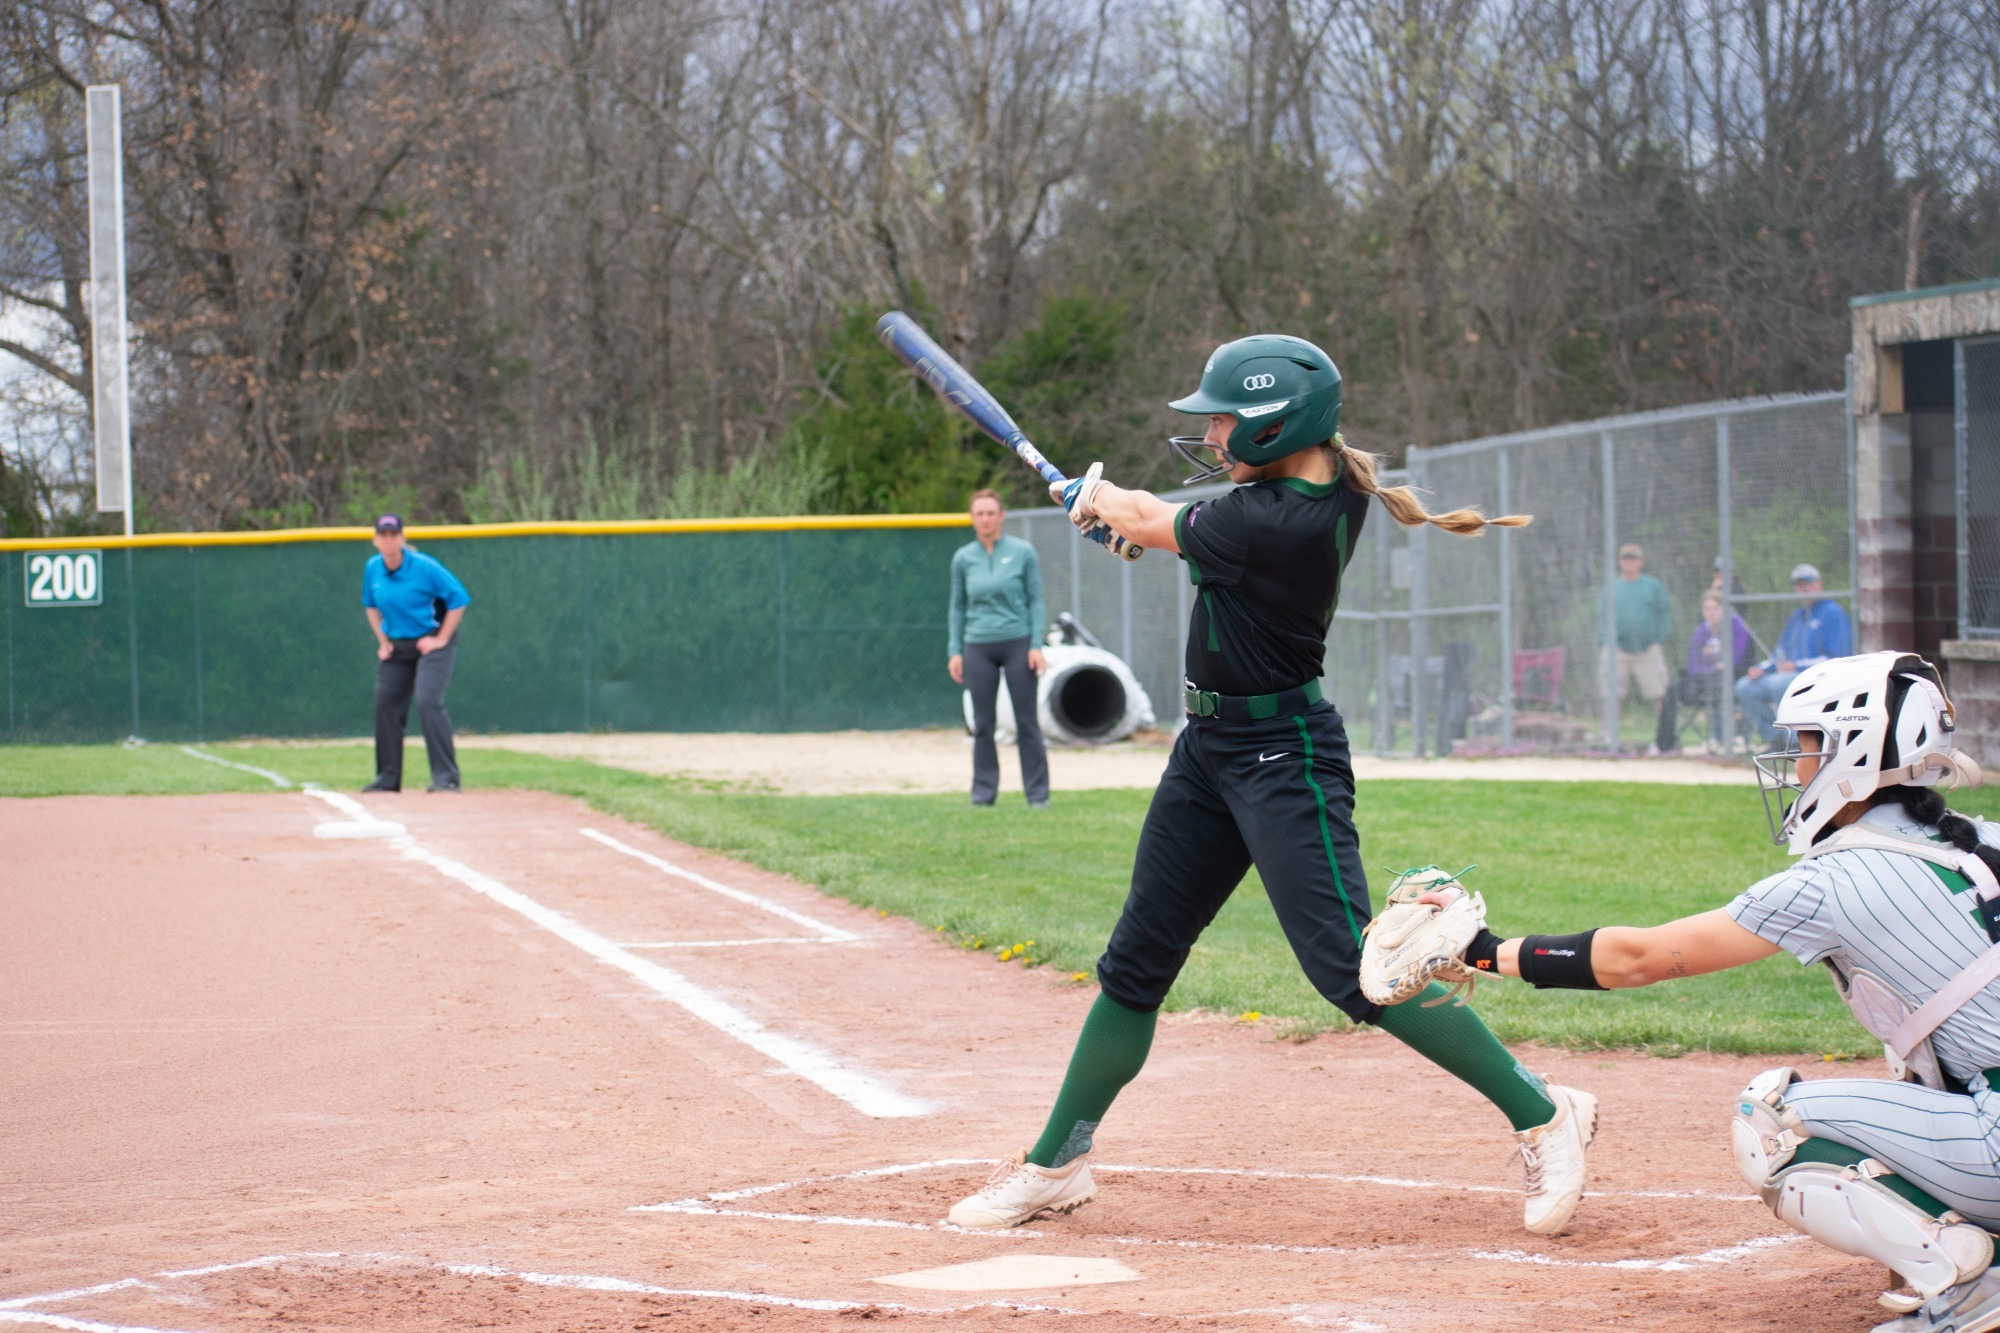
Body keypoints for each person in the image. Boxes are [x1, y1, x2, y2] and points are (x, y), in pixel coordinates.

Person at [944, 334, 1599, 1239]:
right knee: (1136, 964)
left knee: (1359, 972)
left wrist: (1093, 498)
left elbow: (1153, 517)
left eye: (1223, 420)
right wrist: (1117, 515)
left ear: (1276, 427)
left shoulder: (1274, 520)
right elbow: (1170, 534)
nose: (1212, 436)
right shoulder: (1309, 493)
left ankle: (1544, 1111)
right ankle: (1057, 1162)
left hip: (1284, 757)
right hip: (1208, 751)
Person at [1380, 651, 2000, 1332]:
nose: (1795, 763)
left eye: (1806, 744)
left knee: (1775, 1121)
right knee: (1924, 1074)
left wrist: (1480, 949)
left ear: (1855, 752)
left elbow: (1638, 958)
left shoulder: (1835, 879)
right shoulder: (1984, 842)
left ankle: (1976, 1282)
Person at [947, 490, 1050, 807]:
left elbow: (1035, 600)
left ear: (1001, 515)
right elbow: (957, 606)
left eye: (991, 513)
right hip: (977, 645)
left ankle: (1037, 795)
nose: (986, 519)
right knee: (982, 724)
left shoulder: (1023, 552)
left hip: (1018, 642)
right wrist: (955, 649)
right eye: (979, 514)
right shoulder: (963, 558)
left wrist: (1036, 644)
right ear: (972, 518)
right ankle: (983, 794)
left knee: (1026, 722)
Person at [361, 514, 470, 793]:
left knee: (428, 699)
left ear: (402, 538)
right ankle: (388, 779)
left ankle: (446, 779)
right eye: (383, 535)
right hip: (397, 645)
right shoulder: (373, 568)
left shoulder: (424, 567)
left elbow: (459, 598)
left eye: (393, 534)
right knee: (385, 703)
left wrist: (441, 638)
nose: (388, 540)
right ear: (375, 540)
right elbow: (370, 605)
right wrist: (383, 641)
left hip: (429, 642)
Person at [1736, 563, 1853, 744]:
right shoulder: (1797, 615)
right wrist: (1762, 668)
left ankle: (1796, 743)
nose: (1803, 589)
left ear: (1819, 584)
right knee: (1745, 686)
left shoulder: (1832, 612)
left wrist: (1796, 666)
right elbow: (1780, 654)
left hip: (1818, 677)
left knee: (1780, 683)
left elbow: (1837, 658)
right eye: (1799, 585)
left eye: (1807, 583)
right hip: (1789, 675)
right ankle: (1775, 741)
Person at [1657, 589, 1753, 753]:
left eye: (1715, 608)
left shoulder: (1737, 627)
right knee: (1673, 688)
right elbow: (1693, 665)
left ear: (1724, 609)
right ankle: (1666, 743)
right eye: (1707, 609)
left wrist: (1719, 666)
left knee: (1719, 681)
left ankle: (1728, 736)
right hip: (1702, 682)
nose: (1711, 613)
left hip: (1732, 679)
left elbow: (1736, 659)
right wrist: (1712, 668)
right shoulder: (1700, 632)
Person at [1601, 542, 1673, 754]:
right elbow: (1601, 617)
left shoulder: (1653, 586)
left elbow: (1664, 612)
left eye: (1633, 558)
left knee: (1660, 693)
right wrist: (1605, 641)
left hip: (1648, 649)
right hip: (1617, 649)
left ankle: (1665, 738)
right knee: (1612, 694)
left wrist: (1659, 638)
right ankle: (1609, 738)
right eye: (1626, 558)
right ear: (1620, 562)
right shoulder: (1612, 587)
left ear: (1641, 562)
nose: (1629, 562)